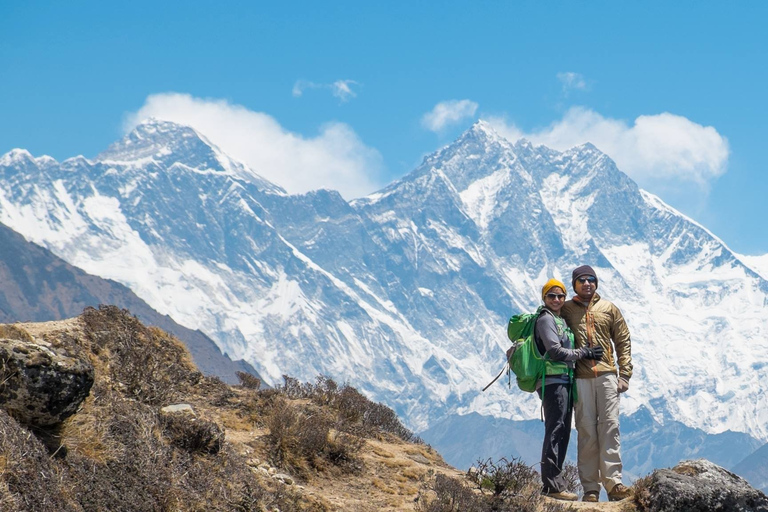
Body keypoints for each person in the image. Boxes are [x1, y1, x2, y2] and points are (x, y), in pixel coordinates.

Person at [561, 265, 633, 503]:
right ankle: (591, 489)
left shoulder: (609, 308)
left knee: (610, 428)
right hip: (580, 378)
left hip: (607, 376)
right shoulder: (566, 309)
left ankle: (614, 484)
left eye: (591, 279)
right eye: (581, 280)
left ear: (596, 282)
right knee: (586, 432)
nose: (587, 283)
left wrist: (625, 375)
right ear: (574, 284)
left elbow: (622, 339)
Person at [534, 278, 604, 502]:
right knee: (556, 430)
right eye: (551, 296)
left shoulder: (558, 319)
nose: (556, 300)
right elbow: (555, 351)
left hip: (563, 381)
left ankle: (555, 484)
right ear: (544, 298)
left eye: (560, 296)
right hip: (553, 382)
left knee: (562, 430)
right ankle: (552, 485)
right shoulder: (546, 319)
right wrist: (584, 353)